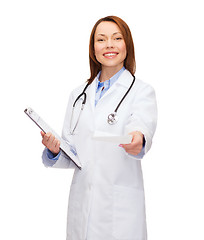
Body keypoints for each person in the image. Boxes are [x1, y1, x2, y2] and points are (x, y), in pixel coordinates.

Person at [41, 16, 157, 240]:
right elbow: (73, 154)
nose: (109, 45)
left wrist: (137, 139)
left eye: (117, 38)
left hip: (119, 212)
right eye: (101, 39)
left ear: (127, 45)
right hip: (81, 205)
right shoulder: (78, 95)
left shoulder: (141, 92)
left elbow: (141, 126)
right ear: (93, 48)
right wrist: (55, 150)